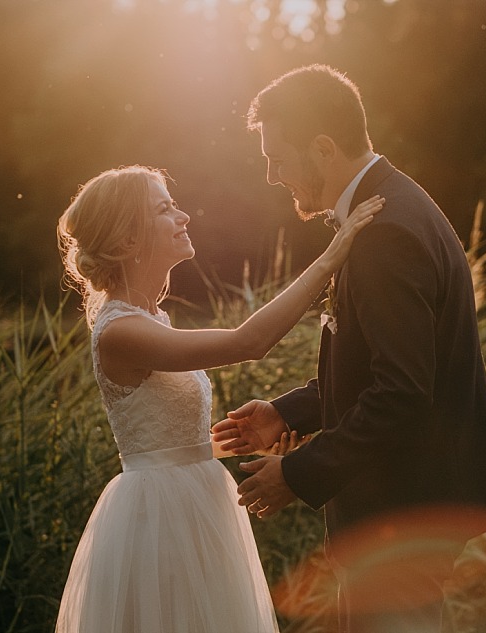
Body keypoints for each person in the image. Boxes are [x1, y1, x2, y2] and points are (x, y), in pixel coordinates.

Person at [211, 64, 486, 633]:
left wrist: (297, 473)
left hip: (404, 508)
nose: (274, 176)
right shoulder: (383, 210)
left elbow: (401, 392)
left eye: (278, 158)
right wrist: (286, 412)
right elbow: (374, 369)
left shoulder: (387, 232)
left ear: (324, 148)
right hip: (403, 503)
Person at [53, 164, 383, 632]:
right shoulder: (119, 331)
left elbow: (165, 437)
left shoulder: (152, 319)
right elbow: (247, 343)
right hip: (160, 515)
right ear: (128, 242)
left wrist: (242, 441)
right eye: (165, 208)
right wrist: (331, 259)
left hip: (197, 497)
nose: (184, 216)